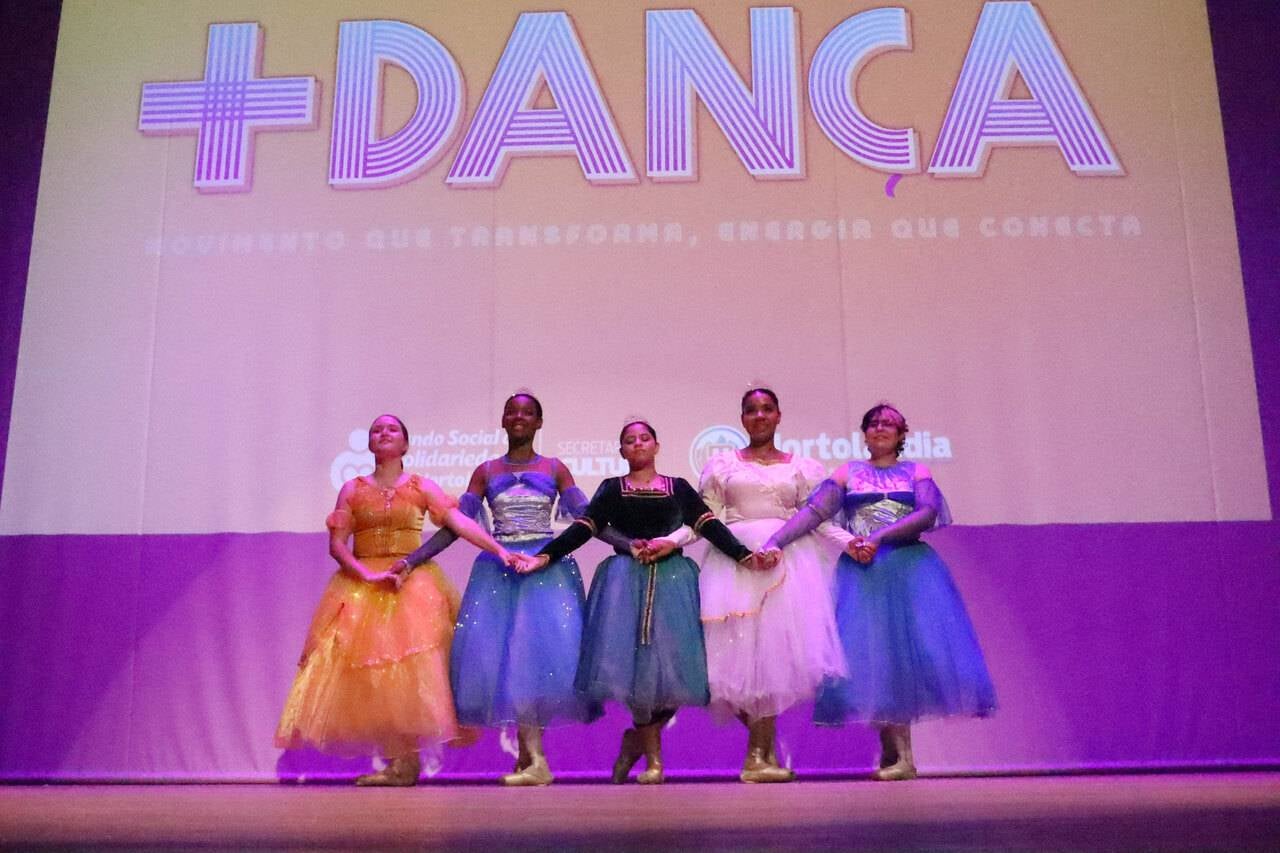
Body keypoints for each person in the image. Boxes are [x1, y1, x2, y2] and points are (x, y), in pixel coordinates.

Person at [275, 414, 525, 786]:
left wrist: (499, 550)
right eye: (377, 430)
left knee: (411, 673)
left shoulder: (421, 486)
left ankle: (406, 763)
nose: (384, 433)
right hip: (363, 583)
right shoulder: (352, 489)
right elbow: (337, 545)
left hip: (411, 583)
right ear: (370, 443)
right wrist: (366, 574)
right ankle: (398, 763)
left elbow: (459, 523)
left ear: (405, 445)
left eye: (392, 429)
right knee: (375, 678)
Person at [764, 403, 996, 781]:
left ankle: (905, 756)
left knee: (903, 657)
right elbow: (815, 513)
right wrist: (776, 540)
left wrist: (878, 537)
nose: (880, 428)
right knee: (873, 658)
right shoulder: (847, 473)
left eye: (889, 424)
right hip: (865, 572)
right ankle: (892, 750)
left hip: (908, 569)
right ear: (864, 433)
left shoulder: (917, 471)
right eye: (873, 424)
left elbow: (926, 513)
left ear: (902, 434)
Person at [528, 420, 763, 784]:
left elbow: (707, 524)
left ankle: (633, 743)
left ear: (656, 445)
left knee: (684, 669)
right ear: (621, 451)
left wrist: (742, 554)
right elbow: (586, 526)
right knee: (636, 672)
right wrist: (547, 555)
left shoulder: (677, 487)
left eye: (644, 438)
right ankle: (654, 761)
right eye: (629, 440)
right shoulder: (612, 488)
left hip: (673, 583)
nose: (637, 444)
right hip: (624, 584)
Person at [394, 392, 595, 786]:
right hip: (500, 570)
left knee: (535, 660)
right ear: (502, 420)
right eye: (511, 412)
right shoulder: (485, 472)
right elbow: (458, 525)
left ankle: (537, 760)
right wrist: (412, 559)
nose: (518, 417)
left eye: (528, 413)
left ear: (539, 422)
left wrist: (627, 542)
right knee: (512, 662)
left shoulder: (556, 469)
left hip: (544, 571)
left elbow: (588, 519)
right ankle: (528, 757)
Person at [697, 388, 848, 783]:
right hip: (735, 563)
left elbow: (816, 518)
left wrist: (851, 543)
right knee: (738, 661)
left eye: (767, 409)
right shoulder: (722, 465)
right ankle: (758, 753)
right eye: (751, 410)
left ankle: (759, 755)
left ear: (779, 415)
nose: (760, 416)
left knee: (773, 659)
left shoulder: (803, 467)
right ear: (742, 419)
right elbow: (703, 521)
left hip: (786, 564)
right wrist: (668, 541)